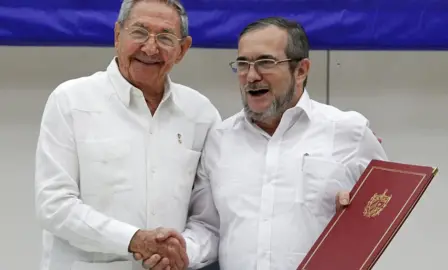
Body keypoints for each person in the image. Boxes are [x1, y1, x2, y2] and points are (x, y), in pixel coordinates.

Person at [142, 17, 388, 270]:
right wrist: (181, 250)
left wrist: (358, 219)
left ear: (301, 70)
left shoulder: (350, 132)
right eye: (243, 64)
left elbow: (387, 211)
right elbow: (210, 228)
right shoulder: (220, 140)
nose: (251, 75)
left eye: (265, 62)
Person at [34, 0, 220, 269]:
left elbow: (208, 219)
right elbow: (54, 206)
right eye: (139, 32)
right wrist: (133, 240)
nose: (150, 47)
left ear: (182, 49)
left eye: (166, 37)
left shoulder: (200, 113)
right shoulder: (71, 101)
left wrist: (182, 252)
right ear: (117, 36)